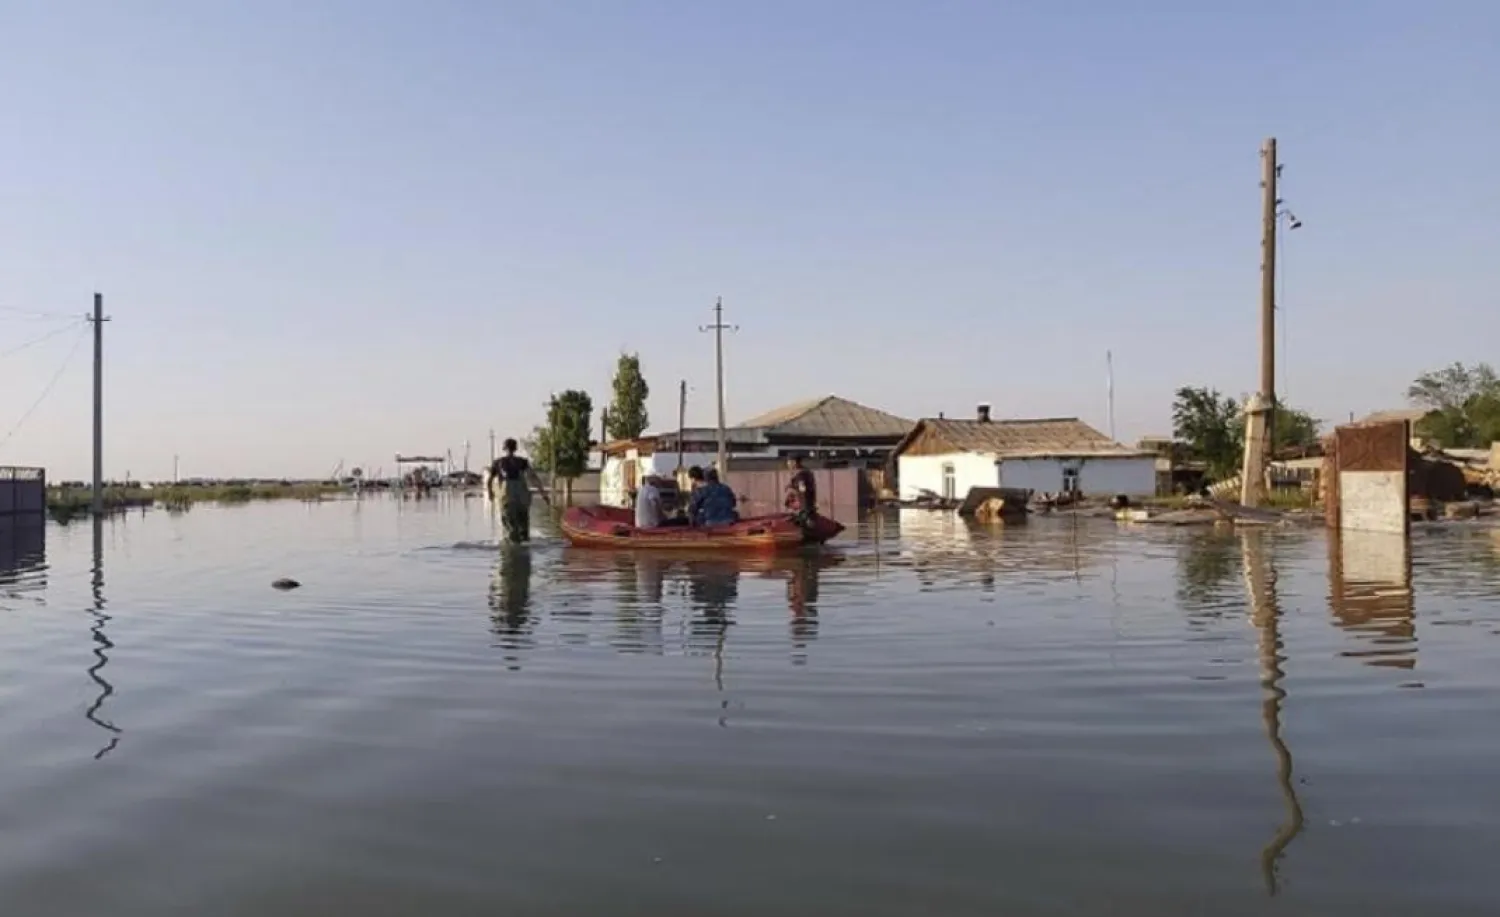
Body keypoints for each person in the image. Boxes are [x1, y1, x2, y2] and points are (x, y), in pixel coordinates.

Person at [490, 438, 546, 544]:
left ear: (504, 448)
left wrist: (490, 494)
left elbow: (490, 480)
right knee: (524, 531)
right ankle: (524, 554)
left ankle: (512, 552)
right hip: (522, 498)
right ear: (515, 449)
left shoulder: (498, 463)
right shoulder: (522, 462)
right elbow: (533, 477)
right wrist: (543, 494)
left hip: (508, 498)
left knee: (511, 530)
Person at [785, 455, 818, 524]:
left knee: (805, 523)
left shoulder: (801, 474)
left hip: (804, 504)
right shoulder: (804, 471)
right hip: (806, 504)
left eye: (788, 462)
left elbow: (802, 489)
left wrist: (792, 490)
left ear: (794, 462)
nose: (787, 464)